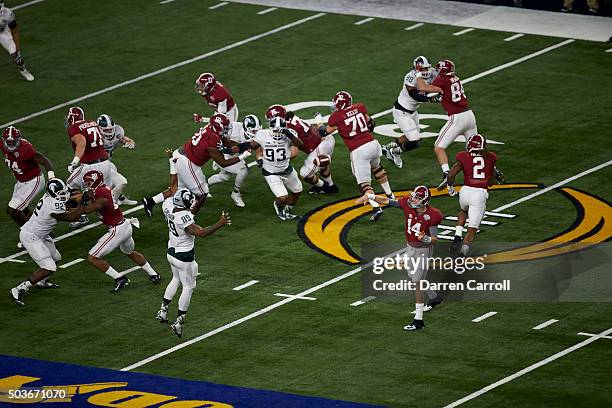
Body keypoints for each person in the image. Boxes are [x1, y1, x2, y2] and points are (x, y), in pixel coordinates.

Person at [355, 186, 443, 331]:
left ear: (424, 201)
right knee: (412, 276)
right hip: (410, 247)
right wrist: (370, 197)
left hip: (423, 250)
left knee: (417, 282)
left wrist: (425, 238)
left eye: (417, 198)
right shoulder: (408, 204)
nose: (413, 199)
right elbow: (387, 201)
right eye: (413, 196)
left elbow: (434, 240)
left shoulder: (433, 215)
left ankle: (418, 320)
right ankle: (434, 297)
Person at [157, 187, 231, 338]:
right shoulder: (184, 218)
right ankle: (179, 321)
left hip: (171, 251)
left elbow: (188, 214)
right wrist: (220, 223)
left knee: (176, 279)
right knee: (189, 287)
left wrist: (198, 205)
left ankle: (163, 310)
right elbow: (201, 232)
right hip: (184, 256)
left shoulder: (168, 205)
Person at [141, 113, 250, 217]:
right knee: (202, 194)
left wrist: (244, 145)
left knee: (176, 188)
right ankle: (189, 218)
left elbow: (226, 142)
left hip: (179, 155)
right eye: (225, 126)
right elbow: (223, 163)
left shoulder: (211, 129)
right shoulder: (213, 139)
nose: (227, 128)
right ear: (218, 127)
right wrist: (242, 156)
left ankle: (150, 201)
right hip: (188, 162)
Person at [75, 169, 161, 293]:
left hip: (117, 230)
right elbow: (86, 196)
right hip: (125, 226)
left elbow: (89, 209)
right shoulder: (101, 189)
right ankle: (154, 274)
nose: (86, 184)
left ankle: (120, 278)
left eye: (89, 182)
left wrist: (81, 202)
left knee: (92, 257)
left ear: (95, 182)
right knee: (130, 252)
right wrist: (71, 198)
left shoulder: (102, 194)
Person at [322, 91, 395, 222]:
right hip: (373, 144)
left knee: (364, 185)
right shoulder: (359, 107)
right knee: (377, 169)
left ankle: (376, 207)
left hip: (359, 150)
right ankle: (390, 195)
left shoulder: (336, 117)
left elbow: (325, 132)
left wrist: (318, 124)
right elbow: (371, 124)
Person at [10, 179, 84, 305]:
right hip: (31, 236)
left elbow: (67, 202)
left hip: (40, 234)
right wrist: (83, 203)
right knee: (49, 267)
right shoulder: (52, 205)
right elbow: (73, 217)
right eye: (60, 193)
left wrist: (78, 196)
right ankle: (19, 288)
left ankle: (41, 281)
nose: (63, 195)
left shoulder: (49, 197)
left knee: (56, 257)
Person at [382, 56, 440, 169]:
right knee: (415, 141)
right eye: (422, 69)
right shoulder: (410, 77)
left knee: (411, 136)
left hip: (413, 111)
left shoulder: (432, 72)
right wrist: (430, 99)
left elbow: (442, 77)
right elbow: (414, 95)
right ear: (416, 69)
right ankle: (394, 152)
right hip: (402, 111)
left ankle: (387, 147)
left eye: (426, 68)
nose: (425, 71)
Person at [266, 104, 338, 195]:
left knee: (305, 173)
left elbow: (294, 153)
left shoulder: (288, 127)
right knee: (320, 164)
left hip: (321, 145)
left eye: (270, 120)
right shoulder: (289, 119)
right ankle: (331, 186)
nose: (270, 123)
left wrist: (276, 159)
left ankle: (326, 187)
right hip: (325, 140)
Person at [447, 134, 499, 257]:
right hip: (479, 193)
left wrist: (450, 188)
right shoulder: (491, 157)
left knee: (463, 210)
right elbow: (491, 183)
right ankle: (462, 254)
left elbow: (451, 175)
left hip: (465, 191)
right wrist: (494, 174)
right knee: (472, 230)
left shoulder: (463, 156)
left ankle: (457, 236)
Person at [430, 60, 478, 189]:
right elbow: (446, 94)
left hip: (457, 118)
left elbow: (425, 89)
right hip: (469, 115)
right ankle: (489, 170)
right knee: (476, 149)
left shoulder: (441, 80)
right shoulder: (455, 78)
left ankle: (447, 174)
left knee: (439, 147)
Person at [65, 107, 111, 228]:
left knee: (67, 187)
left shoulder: (74, 128)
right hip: (106, 163)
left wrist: (75, 161)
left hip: (90, 166)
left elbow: (82, 142)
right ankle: (112, 219)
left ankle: (80, 216)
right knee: (104, 192)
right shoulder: (92, 122)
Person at [1, 126, 54, 227]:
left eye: (13, 142)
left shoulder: (25, 148)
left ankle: (29, 233)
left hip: (33, 181)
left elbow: (44, 161)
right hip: (21, 181)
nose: (11, 145)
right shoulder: (3, 145)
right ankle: (42, 230)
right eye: (9, 142)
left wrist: (51, 177)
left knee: (14, 210)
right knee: (21, 209)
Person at [207, 114, 261, 207]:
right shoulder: (231, 128)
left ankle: (205, 185)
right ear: (246, 128)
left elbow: (257, 148)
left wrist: (260, 158)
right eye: (253, 131)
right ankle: (236, 193)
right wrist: (219, 156)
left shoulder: (253, 134)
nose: (255, 133)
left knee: (224, 177)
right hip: (223, 154)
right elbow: (219, 141)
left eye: (257, 130)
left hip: (234, 154)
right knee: (243, 170)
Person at [97, 114, 137, 206]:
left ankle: (120, 198)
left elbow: (127, 140)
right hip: (97, 164)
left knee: (113, 171)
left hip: (107, 162)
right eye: (107, 130)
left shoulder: (117, 132)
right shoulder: (96, 137)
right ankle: (109, 206)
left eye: (111, 129)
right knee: (120, 182)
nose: (110, 131)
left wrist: (130, 144)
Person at [0, 0, 34, 81]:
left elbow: (15, 32)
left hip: (2, 33)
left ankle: (24, 71)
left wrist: (18, 51)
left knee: (16, 56)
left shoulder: (7, 13)